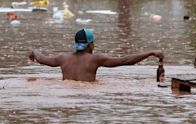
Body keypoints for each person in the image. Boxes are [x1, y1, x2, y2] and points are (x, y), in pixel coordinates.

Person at [28, 29, 163, 82]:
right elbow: (124, 61)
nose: (94, 45)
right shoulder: (95, 59)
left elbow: (42, 59)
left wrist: (34, 51)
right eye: (93, 43)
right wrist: (150, 53)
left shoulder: (63, 58)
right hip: (88, 95)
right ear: (89, 44)